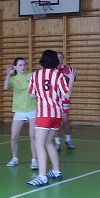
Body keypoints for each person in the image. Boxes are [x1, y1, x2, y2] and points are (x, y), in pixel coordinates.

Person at [27, 50, 75, 187]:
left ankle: (42, 176)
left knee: (39, 143)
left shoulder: (35, 75)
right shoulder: (59, 75)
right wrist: (71, 78)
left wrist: (44, 97)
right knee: (49, 142)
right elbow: (67, 95)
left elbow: (31, 95)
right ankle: (55, 171)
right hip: (57, 114)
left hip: (44, 113)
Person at [3, 57, 38, 169]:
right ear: (15, 67)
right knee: (14, 137)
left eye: (24, 64)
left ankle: (34, 160)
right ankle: (15, 158)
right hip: (19, 110)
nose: (23, 67)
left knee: (33, 136)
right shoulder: (13, 79)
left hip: (32, 109)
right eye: (20, 65)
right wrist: (8, 74)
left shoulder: (31, 76)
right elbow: (5, 87)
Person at [55, 52, 75, 151]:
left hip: (64, 98)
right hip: (54, 99)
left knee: (65, 120)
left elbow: (72, 82)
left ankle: (68, 139)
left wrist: (71, 78)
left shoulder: (68, 70)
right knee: (56, 122)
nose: (59, 59)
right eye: (57, 57)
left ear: (63, 58)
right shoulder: (52, 70)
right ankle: (57, 142)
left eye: (61, 57)